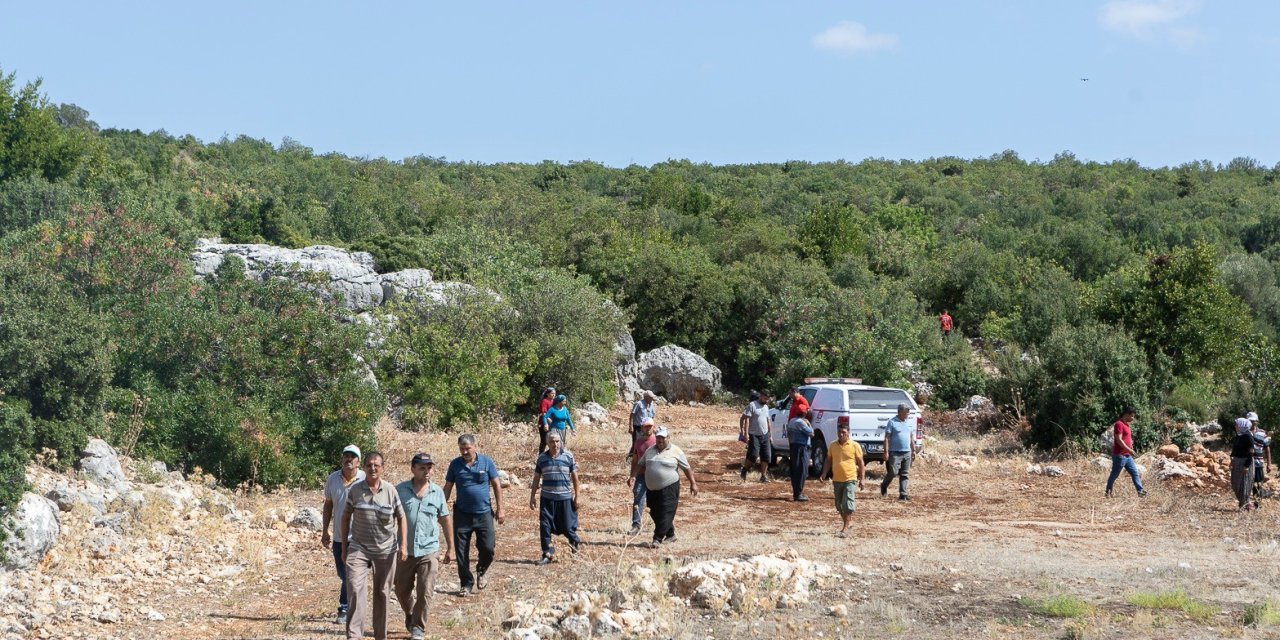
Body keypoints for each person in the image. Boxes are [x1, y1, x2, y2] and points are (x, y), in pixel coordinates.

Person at [340, 453, 408, 640]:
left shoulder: (390, 491)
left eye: (376, 465)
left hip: (385, 550)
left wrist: (403, 545)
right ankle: (354, 636)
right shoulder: (355, 490)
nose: (373, 468)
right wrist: (345, 548)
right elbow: (345, 517)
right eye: (369, 465)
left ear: (383, 468)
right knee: (354, 588)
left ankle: (380, 636)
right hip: (359, 548)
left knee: (383, 593)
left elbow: (401, 518)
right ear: (364, 467)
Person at [394, 453, 453, 640]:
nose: (427, 471)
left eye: (429, 467)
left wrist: (451, 547)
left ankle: (418, 627)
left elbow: (444, 520)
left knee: (425, 590)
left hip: (429, 550)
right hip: (405, 551)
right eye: (422, 467)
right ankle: (410, 614)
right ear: (413, 468)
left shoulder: (437, 493)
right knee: (401, 591)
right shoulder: (400, 490)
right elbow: (388, 517)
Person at [443, 434, 505, 596]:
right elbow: (448, 487)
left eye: (467, 448)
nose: (464, 452)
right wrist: (440, 506)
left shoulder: (487, 462)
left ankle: (481, 569)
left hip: (484, 513)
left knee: (488, 548)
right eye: (461, 449)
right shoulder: (455, 465)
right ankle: (466, 584)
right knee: (461, 551)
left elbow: (496, 485)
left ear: (475, 446)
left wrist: (500, 508)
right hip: (462, 515)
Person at [322, 444, 366, 625]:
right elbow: (328, 505)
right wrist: (325, 531)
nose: (349, 459)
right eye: (346, 456)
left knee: (349, 573)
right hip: (339, 537)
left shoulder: (365, 478)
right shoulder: (332, 479)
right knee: (343, 574)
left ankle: (344, 608)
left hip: (358, 537)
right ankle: (353, 598)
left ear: (358, 461)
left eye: (352, 456)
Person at [637, 426, 698, 547]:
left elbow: (686, 468)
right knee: (654, 512)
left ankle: (657, 538)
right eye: (658, 437)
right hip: (652, 488)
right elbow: (641, 464)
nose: (660, 440)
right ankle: (670, 534)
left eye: (663, 438)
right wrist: (633, 476)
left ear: (668, 438)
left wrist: (693, 483)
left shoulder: (676, 451)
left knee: (666, 511)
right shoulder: (650, 450)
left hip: (669, 487)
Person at [529, 431, 582, 564]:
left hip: (564, 498)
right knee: (545, 526)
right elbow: (536, 478)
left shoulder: (568, 456)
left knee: (568, 526)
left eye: (557, 441)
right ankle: (547, 553)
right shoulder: (542, 458)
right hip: (547, 499)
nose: (555, 444)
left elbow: (575, 477)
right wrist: (532, 497)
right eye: (552, 441)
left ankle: (575, 545)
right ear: (547, 443)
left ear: (561, 442)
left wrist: (577, 496)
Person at [820, 423, 866, 538]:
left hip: (850, 478)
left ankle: (845, 528)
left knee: (847, 503)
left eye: (843, 432)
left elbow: (861, 463)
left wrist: (862, 478)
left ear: (848, 433)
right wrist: (824, 473)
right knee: (838, 504)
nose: (841, 435)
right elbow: (828, 460)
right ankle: (848, 522)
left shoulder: (855, 445)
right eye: (839, 432)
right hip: (837, 479)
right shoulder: (832, 445)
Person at [1104, 407, 1147, 498]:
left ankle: (1141, 492)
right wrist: (1129, 449)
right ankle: (1108, 492)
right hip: (1120, 455)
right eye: (1132, 416)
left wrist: (1130, 446)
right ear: (1126, 414)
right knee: (1114, 475)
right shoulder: (1119, 424)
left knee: (1135, 473)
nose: (1133, 418)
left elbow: (1126, 438)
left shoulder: (1126, 425)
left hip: (1127, 456)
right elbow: (1118, 440)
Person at [880, 403, 918, 501]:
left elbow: (911, 437)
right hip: (895, 452)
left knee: (905, 474)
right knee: (893, 472)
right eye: (906, 412)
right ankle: (884, 485)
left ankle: (903, 494)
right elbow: (887, 438)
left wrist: (913, 450)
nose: (908, 414)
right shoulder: (892, 422)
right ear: (901, 412)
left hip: (907, 452)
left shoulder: (908, 423)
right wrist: (886, 452)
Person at [626, 419, 657, 536]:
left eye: (650, 426)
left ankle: (660, 526)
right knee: (638, 498)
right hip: (641, 475)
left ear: (654, 427)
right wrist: (632, 476)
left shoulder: (657, 441)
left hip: (654, 476)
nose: (648, 428)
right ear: (642, 428)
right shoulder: (638, 442)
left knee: (655, 502)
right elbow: (635, 460)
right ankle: (636, 525)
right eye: (645, 426)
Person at [739, 390, 772, 482]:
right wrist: (745, 433)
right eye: (765, 398)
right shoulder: (752, 405)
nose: (766, 401)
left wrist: (770, 434)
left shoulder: (766, 407)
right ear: (760, 396)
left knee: (766, 456)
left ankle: (763, 476)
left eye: (768, 399)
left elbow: (768, 420)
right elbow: (746, 420)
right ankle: (745, 469)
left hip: (765, 435)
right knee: (753, 455)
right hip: (754, 435)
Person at [787, 409, 815, 501]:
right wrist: (808, 423)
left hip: (793, 446)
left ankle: (796, 492)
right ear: (805, 414)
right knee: (802, 470)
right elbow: (812, 433)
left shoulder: (792, 421)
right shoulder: (801, 423)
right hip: (802, 448)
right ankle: (798, 494)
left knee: (795, 469)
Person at [1231, 417, 1257, 510]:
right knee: (1235, 483)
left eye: (1237, 424)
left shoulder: (1248, 436)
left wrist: (1247, 465)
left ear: (1242, 425)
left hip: (1245, 462)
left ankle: (1245, 504)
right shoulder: (1239, 435)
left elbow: (1251, 452)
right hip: (1237, 461)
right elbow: (1235, 448)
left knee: (1245, 484)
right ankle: (1244, 502)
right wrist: (1232, 458)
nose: (1235, 426)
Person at [1250, 412, 1271, 504]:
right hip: (1247, 463)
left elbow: (1267, 449)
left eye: (1254, 421)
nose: (1252, 423)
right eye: (1250, 421)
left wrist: (1269, 464)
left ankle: (1257, 503)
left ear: (1256, 422)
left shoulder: (1262, 433)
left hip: (1258, 463)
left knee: (1258, 484)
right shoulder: (1245, 432)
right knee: (1247, 483)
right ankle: (1246, 503)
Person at [536, 387, 556, 454]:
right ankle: (540, 456)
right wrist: (548, 419)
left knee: (552, 439)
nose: (554, 395)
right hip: (543, 423)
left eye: (554, 393)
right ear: (547, 394)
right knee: (544, 441)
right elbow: (543, 413)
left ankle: (550, 455)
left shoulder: (553, 401)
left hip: (552, 424)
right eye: (552, 393)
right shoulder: (544, 401)